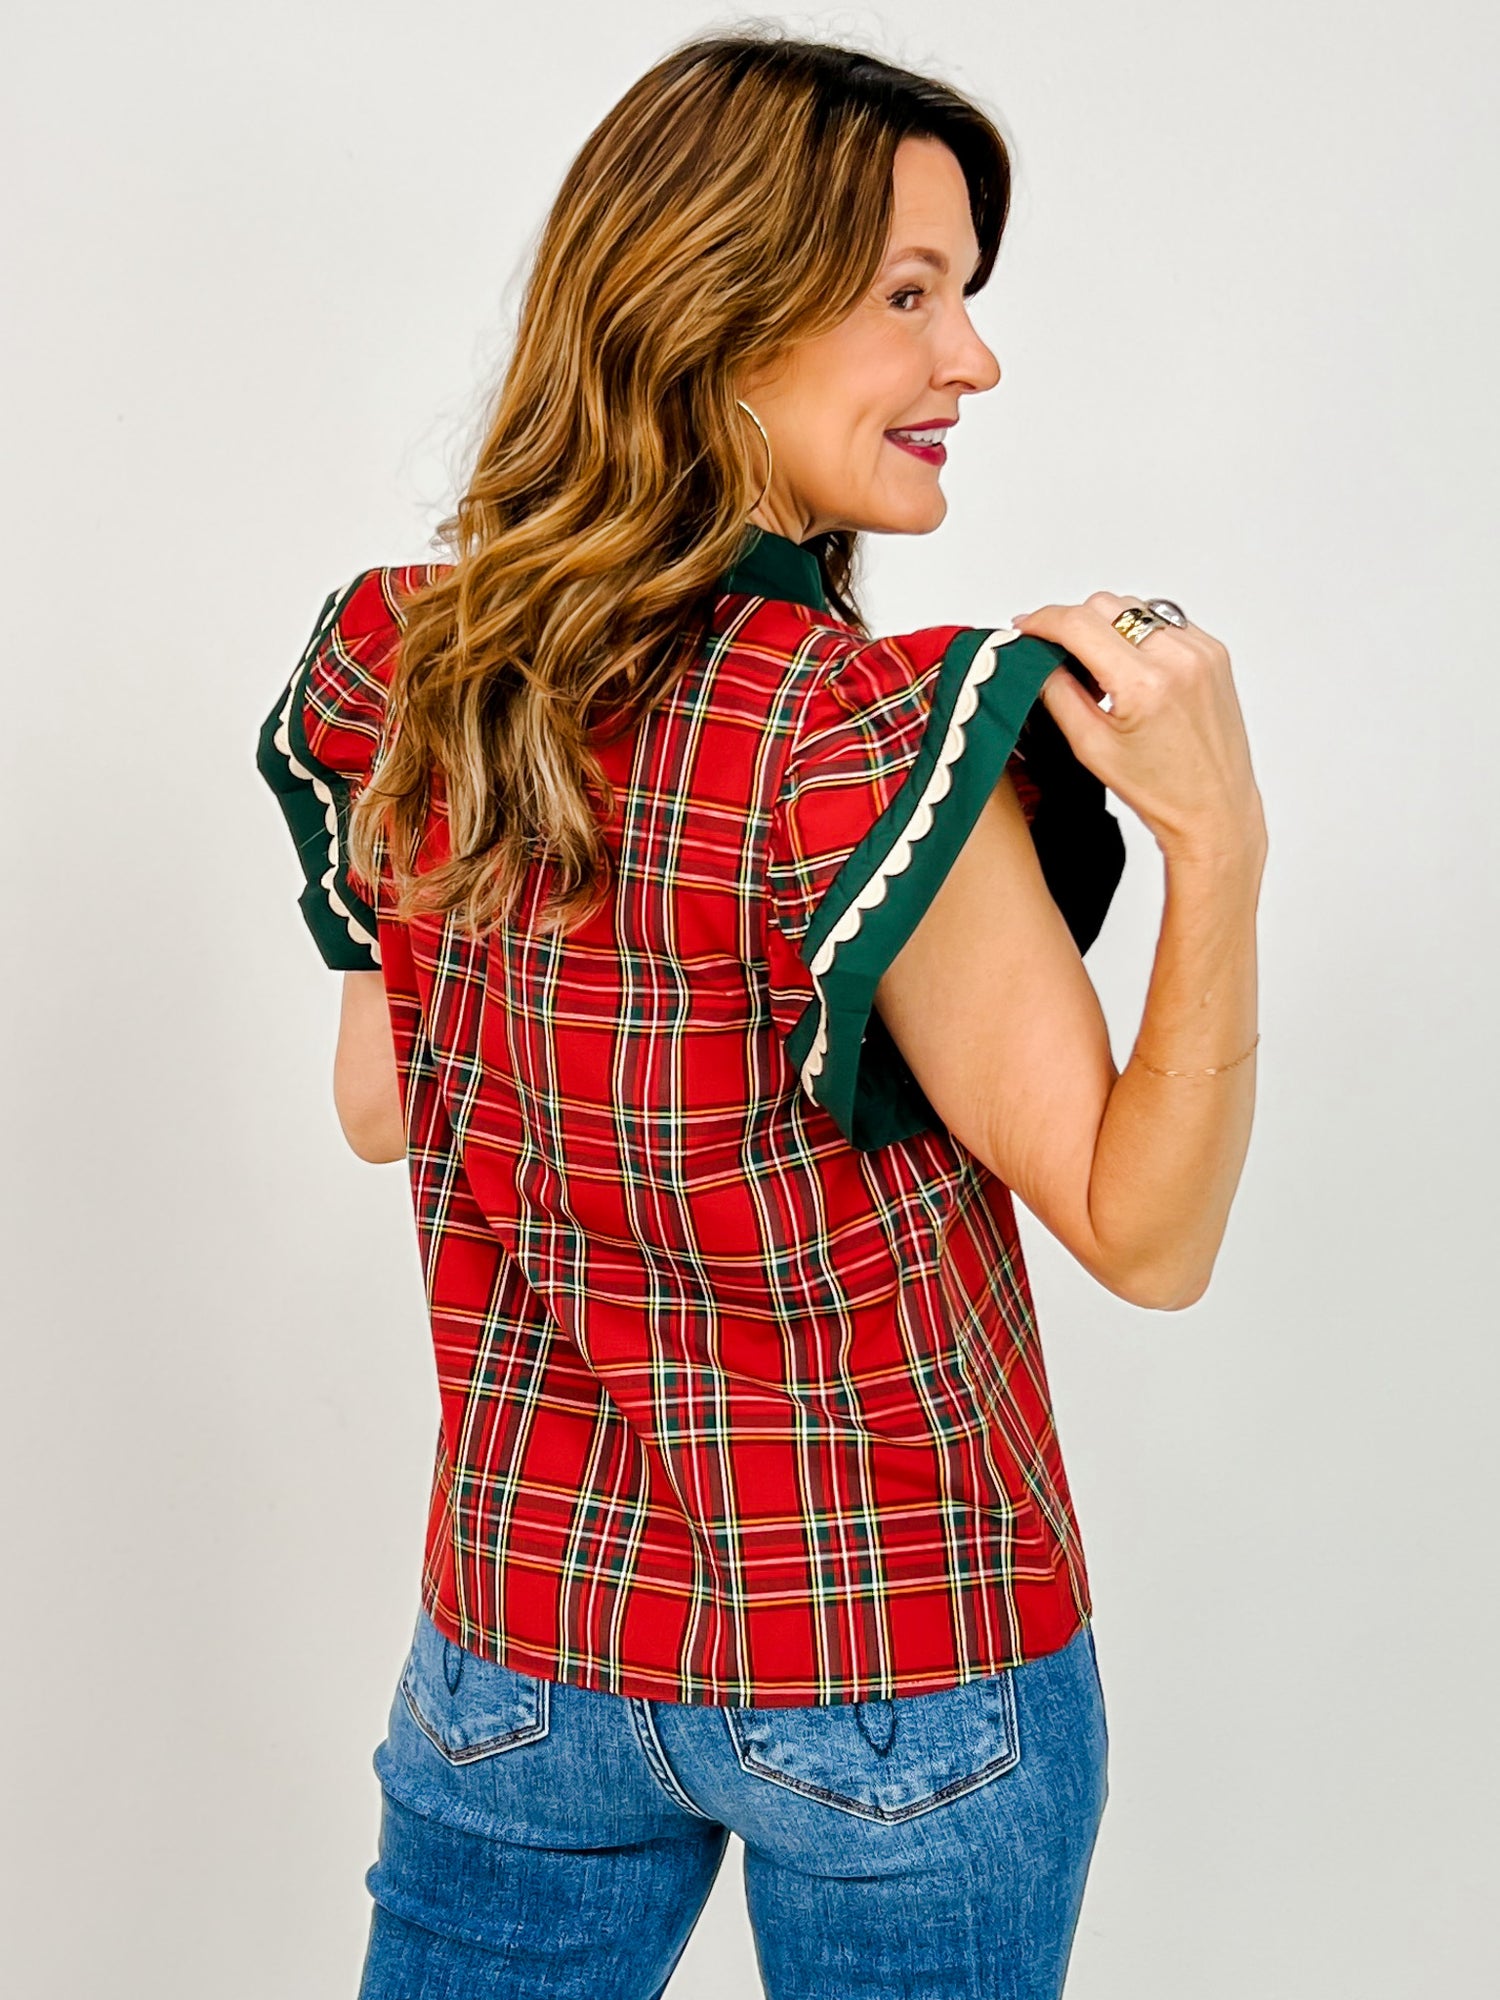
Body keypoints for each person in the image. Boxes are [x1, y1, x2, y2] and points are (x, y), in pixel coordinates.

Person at [255, 28, 1266, 2000]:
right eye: (911, 295)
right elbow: (1148, 1234)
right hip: (896, 1663)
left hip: (520, 1643)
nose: (974, 359)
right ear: (716, 312)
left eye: (963, 295)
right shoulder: (857, 745)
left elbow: (386, 1103)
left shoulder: (417, 669)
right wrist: (1217, 839)